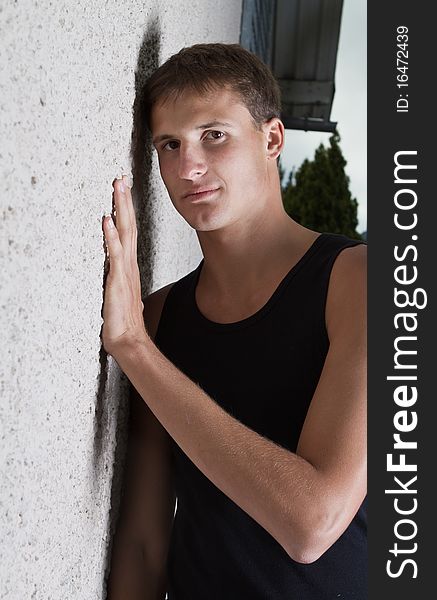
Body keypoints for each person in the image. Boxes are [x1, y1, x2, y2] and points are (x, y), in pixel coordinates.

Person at [103, 43, 367, 599]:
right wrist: (140, 339)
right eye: (168, 145)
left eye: (213, 136)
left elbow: (311, 523)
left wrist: (133, 346)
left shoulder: (358, 281)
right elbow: (144, 544)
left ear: (271, 139)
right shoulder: (157, 319)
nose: (187, 166)